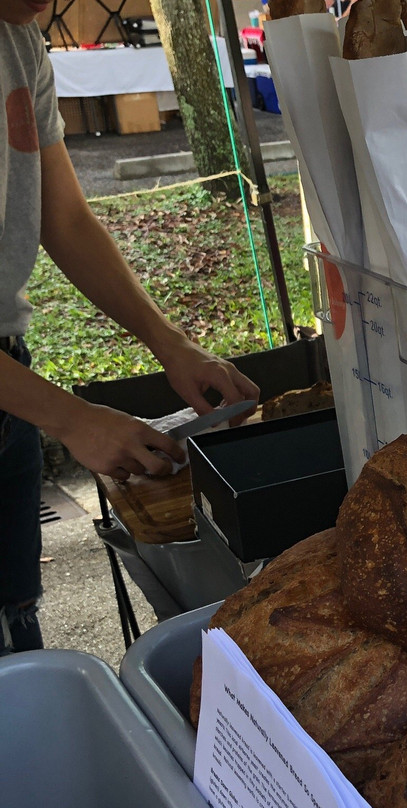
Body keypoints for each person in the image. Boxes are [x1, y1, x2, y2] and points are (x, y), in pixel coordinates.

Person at [0, 0, 260, 654]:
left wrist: (169, 342)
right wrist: (73, 418)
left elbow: (63, 219)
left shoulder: (18, 39)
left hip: (9, 377)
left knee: (13, 612)